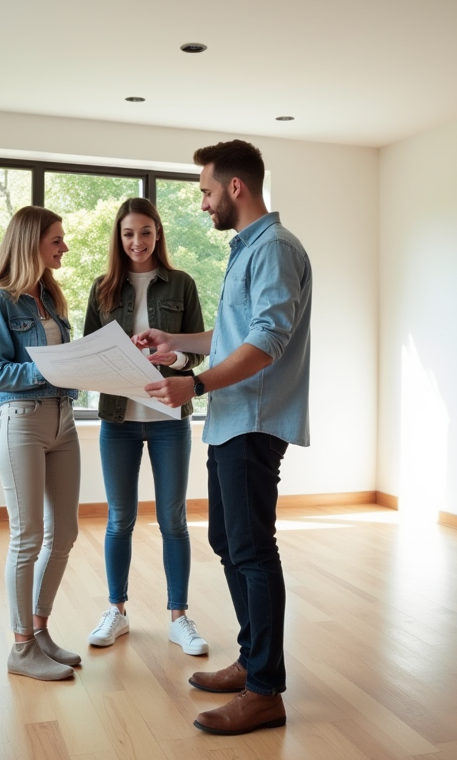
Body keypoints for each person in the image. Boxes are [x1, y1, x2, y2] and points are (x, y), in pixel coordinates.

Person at [136, 140, 312, 735]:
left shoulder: (277, 250)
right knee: (229, 542)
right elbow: (235, 332)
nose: (203, 203)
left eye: (207, 191)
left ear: (236, 188)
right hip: (232, 422)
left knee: (253, 549)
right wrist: (176, 342)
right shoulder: (250, 251)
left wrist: (196, 384)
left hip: (254, 422)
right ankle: (251, 661)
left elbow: (267, 340)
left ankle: (265, 690)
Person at [82, 198, 209, 656]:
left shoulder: (182, 283)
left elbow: (195, 353)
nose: (137, 242)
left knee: (174, 520)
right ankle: (116, 611)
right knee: (120, 520)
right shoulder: (102, 288)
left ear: (158, 235)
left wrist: (169, 357)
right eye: (129, 234)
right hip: (118, 420)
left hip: (169, 421)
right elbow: (90, 354)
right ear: (119, 237)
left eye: (146, 233)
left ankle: (179, 617)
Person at [0, 205, 83, 681]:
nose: (64, 247)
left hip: (64, 421)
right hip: (21, 421)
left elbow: (63, 364)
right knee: (28, 537)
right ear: (30, 243)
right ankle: (20, 648)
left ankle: (39, 633)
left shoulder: (51, 298)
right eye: (56, 239)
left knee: (66, 533)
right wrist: (54, 365)